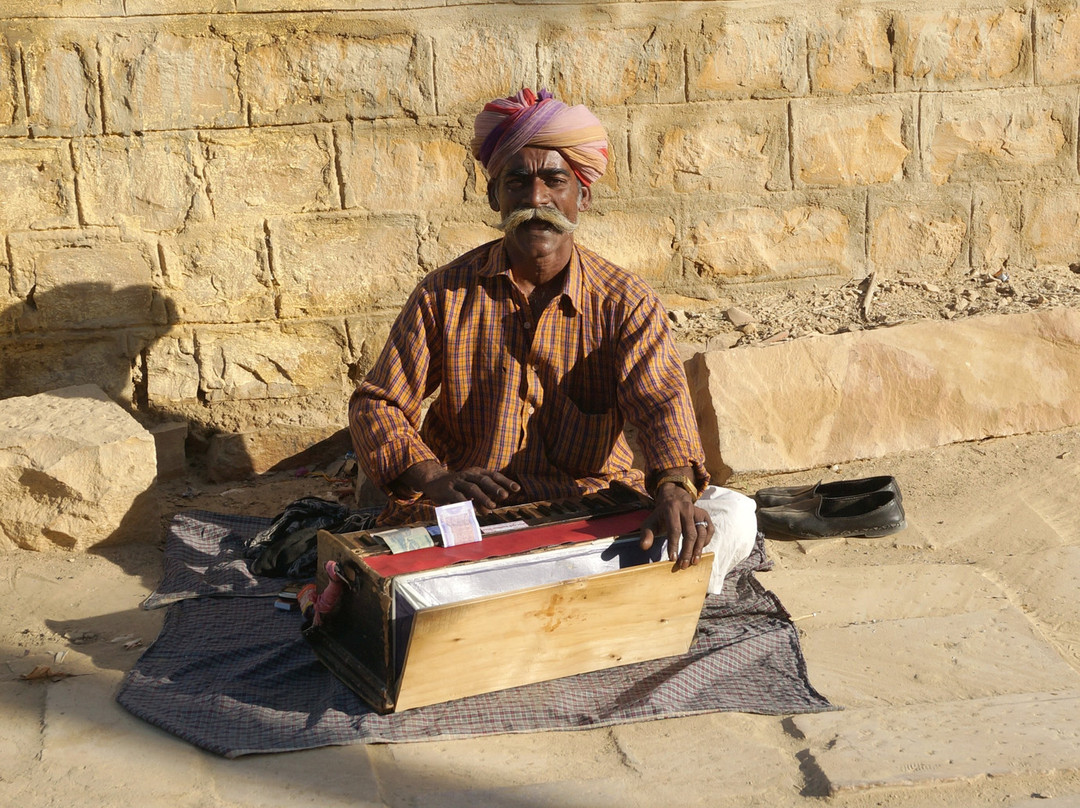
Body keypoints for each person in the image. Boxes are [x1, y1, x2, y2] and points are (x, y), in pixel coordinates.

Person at [348, 88, 755, 587]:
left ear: (582, 195)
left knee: (730, 516)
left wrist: (674, 485)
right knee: (421, 585)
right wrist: (433, 478)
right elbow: (378, 403)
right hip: (471, 514)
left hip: (586, 509)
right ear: (495, 196)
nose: (536, 199)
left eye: (554, 181)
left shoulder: (624, 302)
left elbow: (661, 404)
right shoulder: (444, 295)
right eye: (517, 181)